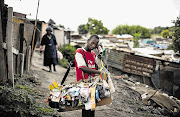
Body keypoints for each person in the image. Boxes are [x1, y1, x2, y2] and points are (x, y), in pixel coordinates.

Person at [74, 34, 101, 117]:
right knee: (86, 109)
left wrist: (99, 55)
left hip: (92, 84)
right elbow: (83, 68)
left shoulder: (93, 54)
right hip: (84, 85)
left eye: (95, 44)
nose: (93, 46)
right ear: (87, 40)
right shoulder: (79, 51)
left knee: (92, 108)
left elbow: (98, 66)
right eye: (92, 43)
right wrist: (99, 72)